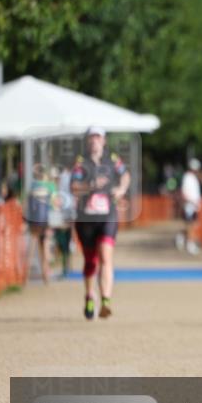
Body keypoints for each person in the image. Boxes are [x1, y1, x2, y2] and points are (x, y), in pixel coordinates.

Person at [70, 127, 130, 320]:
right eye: (91, 137)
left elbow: (126, 175)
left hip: (107, 216)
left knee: (106, 256)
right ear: (88, 141)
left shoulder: (112, 160)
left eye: (98, 137)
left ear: (104, 140)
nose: (95, 140)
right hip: (86, 218)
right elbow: (73, 187)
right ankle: (89, 296)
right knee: (90, 261)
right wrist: (90, 186)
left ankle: (106, 300)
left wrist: (121, 189)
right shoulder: (81, 163)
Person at [25, 164, 56, 284]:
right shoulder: (50, 187)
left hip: (34, 221)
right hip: (45, 220)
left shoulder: (32, 187)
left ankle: (26, 275)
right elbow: (54, 204)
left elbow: (27, 204)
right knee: (45, 247)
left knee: (32, 247)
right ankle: (46, 275)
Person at [178, 158, 202, 255]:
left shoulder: (193, 178)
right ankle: (190, 244)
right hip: (189, 206)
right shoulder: (187, 177)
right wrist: (192, 202)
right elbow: (184, 193)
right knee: (191, 225)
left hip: (194, 205)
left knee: (192, 225)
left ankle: (182, 237)